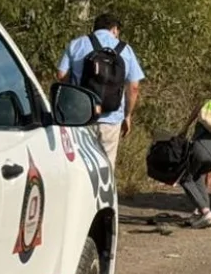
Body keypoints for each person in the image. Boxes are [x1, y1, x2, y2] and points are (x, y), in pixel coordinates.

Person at [56, 13, 145, 168]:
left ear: (94, 28)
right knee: (106, 166)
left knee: (80, 165)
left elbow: (61, 75)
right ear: (115, 29)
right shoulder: (126, 50)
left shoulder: (76, 44)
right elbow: (134, 87)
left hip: (81, 116)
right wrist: (127, 115)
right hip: (111, 117)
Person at [177, 107, 211, 229]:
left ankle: (206, 213)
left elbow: (196, 109)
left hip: (201, 151)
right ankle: (203, 215)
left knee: (184, 178)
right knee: (198, 178)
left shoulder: (207, 109)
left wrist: (184, 129)